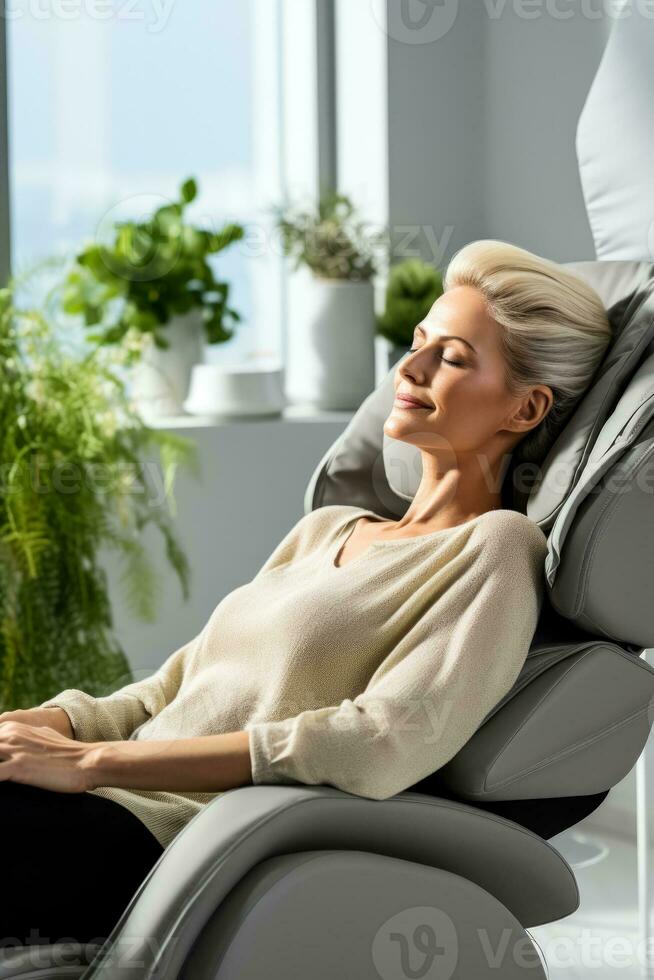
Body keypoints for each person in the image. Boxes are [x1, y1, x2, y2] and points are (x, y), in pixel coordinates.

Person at [0, 239, 612, 949]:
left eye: (451, 356)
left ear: (525, 407)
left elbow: (379, 741)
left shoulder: (494, 549)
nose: (407, 369)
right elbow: (168, 690)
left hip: (172, 840)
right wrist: (53, 726)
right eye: (416, 343)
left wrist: (91, 766)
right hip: (101, 795)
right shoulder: (326, 528)